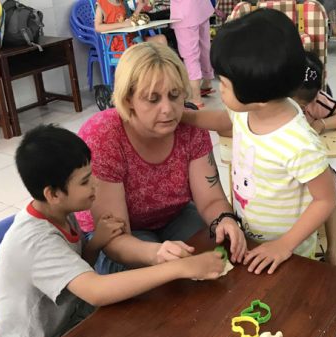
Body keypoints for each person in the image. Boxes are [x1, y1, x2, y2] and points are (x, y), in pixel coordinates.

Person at [0, 125, 225, 337]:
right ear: (53, 194)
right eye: (85, 181)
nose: (96, 184)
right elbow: (96, 291)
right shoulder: (36, 242)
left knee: (159, 336)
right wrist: (182, 268)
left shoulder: (60, 210)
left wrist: (95, 244)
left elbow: (75, 270)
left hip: (76, 318)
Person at [182, 9, 336, 275]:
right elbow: (226, 122)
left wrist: (284, 245)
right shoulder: (249, 111)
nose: (219, 88)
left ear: (258, 98)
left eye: (225, 84)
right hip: (250, 237)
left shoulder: (298, 143)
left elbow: (326, 198)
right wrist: (186, 117)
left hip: (290, 252)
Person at [77, 42, 246, 275]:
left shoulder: (190, 125)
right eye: (152, 99)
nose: (168, 109)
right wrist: (156, 254)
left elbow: (210, 201)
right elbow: (114, 237)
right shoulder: (102, 136)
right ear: (128, 100)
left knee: (219, 249)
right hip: (122, 236)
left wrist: (225, 220)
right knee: (159, 283)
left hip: (173, 217)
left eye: (175, 95)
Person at [293, 51, 336, 267]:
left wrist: (321, 124)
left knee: (332, 183)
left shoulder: (317, 101)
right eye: (298, 105)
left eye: (306, 105)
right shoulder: (274, 100)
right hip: (282, 167)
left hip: (309, 167)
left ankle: (332, 249)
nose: (303, 110)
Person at [170, 0, 215, 108]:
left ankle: (196, 98)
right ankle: (207, 81)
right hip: (201, 8)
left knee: (190, 55)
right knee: (205, 47)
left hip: (184, 13)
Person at [94, 0, 166, 56]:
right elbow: (98, 27)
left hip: (132, 40)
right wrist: (123, 24)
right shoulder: (101, 4)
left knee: (161, 39)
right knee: (146, 53)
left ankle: (163, 72)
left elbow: (130, 21)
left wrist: (139, 7)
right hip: (120, 46)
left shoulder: (122, 3)